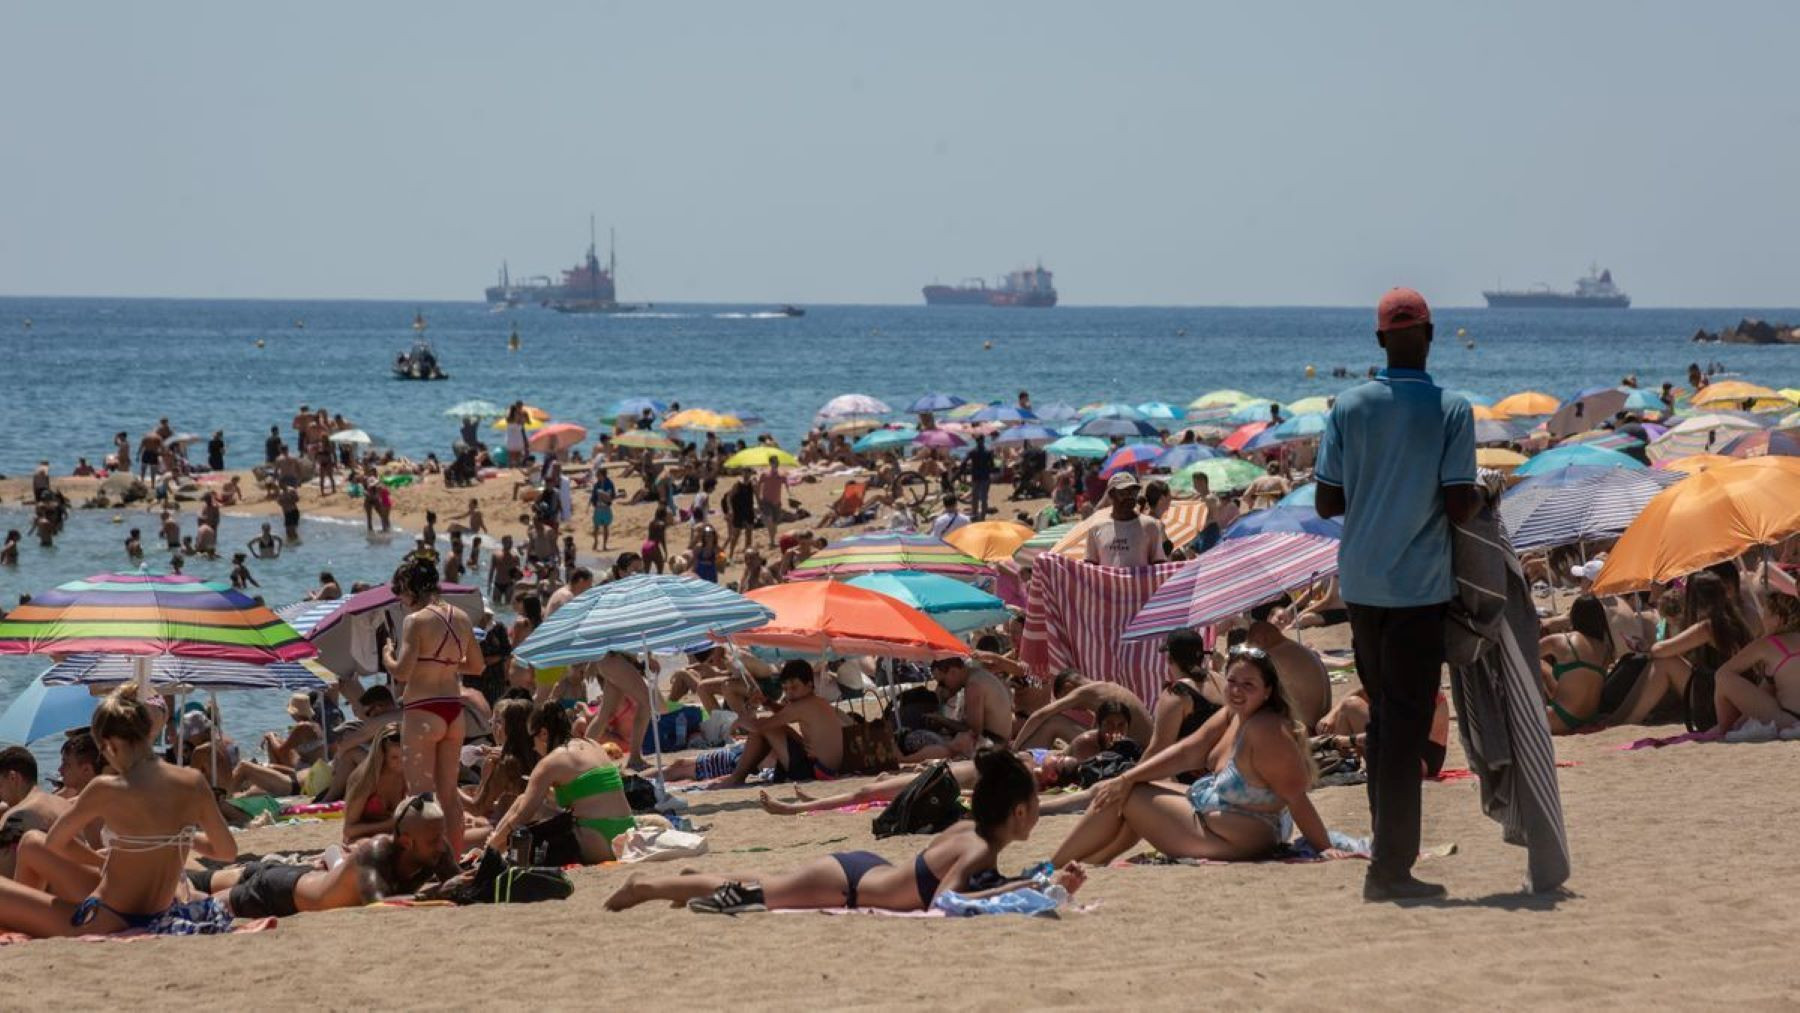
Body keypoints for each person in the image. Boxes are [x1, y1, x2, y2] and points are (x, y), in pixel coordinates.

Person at [1314, 286, 1477, 902]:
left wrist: (1377, 491)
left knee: (1384, 717)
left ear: (1380, 341)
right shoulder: (1452, 409)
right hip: (1417, 588)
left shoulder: (1349, 407)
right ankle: (1390, 869)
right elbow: (1460, 502)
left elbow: (1328, 500)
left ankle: (1386, 852)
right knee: (1405, 726)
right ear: (1430, 337)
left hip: (1361, 585)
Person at [607, 748, 1085, 914]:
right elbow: (948, 902)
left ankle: (687, 877)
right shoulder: (979, 849)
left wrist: (1042, 880)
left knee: (763, 885)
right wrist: (1033, 884)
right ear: (1019, 812)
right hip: (849, 885)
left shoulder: (972, 832)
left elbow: (983, 889)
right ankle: (647, 885)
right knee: (757, 891)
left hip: (866, 873)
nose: (1040, 810)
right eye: (1037, 803)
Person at [1051, 648, 1336, 866]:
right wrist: (1127, 777)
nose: (1236, 690)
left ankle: (1052, 867)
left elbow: (1297, 797)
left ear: (1267, 691)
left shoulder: (1267, 730)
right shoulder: (1233, 714)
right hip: (1220, 822)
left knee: (1127, 793)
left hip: (1239, 840)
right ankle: (1087, 863)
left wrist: (1325, 848)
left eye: (1248, 685)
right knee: (1127, 788)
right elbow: (1189, 751)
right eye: (1232, 681)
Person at [0, 684, 237, 937]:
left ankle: (24, 926)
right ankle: (25, 924)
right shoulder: (193, 782)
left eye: (102, 750)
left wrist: (101, 860)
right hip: (159, 911)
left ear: (111, 744)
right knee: (31, 841)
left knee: (31, 853)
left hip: (105, 918)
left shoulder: (106, 789)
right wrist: (176, 837)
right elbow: (226, 851)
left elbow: (56, 843)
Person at [197, 794, 460, 918]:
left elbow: (459, 886)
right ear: (406, 842)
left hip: (298, 878)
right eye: (434, 839)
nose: (441, 845)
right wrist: (440, 892)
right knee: (189, 905)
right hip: (275, 894)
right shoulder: (375, 853)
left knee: (193, 885)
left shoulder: (435, 850)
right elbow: (379, 906)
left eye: (441, 835)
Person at [381, 554, 482, 855]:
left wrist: (388, 653)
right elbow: (476, 667)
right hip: (453, 709)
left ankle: (426, 861)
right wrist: (444, 664)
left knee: (421, 796)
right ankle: (455, 857)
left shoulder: (415, 621)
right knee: (449, 795)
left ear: (411, 589)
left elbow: (401, 672)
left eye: (402, 594)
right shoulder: (461, 617)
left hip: (423, 709)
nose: (403, 602)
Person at [1622, 572, 1755, 725]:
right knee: (1664, 660)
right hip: (1733, 697)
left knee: (1665, 662)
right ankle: (1623, 716)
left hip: (1718, 704)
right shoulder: (1732, 619)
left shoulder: (1708, 626)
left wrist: (1645, 647)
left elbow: (1660, 650)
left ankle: (1630, 719)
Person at [488, 733, 636, 865]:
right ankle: (492, 851)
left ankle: (489, 852)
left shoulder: (551, 761)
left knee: (521, 834)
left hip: (595, 840)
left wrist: (492, 844)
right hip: (626, 832)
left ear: (544, 734)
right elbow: (583, 795)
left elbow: (522, 816)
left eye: (533, 740)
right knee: (523, 800)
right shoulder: (591, 745)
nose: (533, 747)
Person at [709, 662, 846, 786]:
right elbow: (787, 715)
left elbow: (760, 726)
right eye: (785, 689)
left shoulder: (801, 706)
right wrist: (767, 703)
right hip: (828, 769)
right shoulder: (817, 702)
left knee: (764, 725)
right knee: (777, 727)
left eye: (794, 687)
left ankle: (737, 777)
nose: (789, 694)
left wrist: (739, 721)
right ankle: (738, 775)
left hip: (815, 770)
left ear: (809, 685)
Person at [1705, 590, 1800, 736]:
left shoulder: (1767, 644)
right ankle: (1731, 726)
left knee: (1723, 677)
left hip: (1791, 720)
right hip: (1791, 716)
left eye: (1765, 614)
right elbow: (1765, 692)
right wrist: (1741, 721)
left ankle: (1723, 730)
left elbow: (1725, 671)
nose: (1762, 619)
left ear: (1777, 620)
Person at [1240, 603, 1332, 729]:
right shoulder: (1294, 648)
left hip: (1306, 726)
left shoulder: (1274, 654)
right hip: (1320, 719)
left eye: (1256, 646)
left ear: (1263, 639)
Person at [1013, 670, 1152, 751]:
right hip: (1136, 746)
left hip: (1131, 748)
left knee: (1053, 722)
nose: (1074, 709)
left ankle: (1022, 757)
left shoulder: (1084, 692)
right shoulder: (1106, 689)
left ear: (1068, 687)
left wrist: (1015, 746)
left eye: (1064, 698)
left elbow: (1040, 715)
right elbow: (1096, 733)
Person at [1539, 595, 1614, 734]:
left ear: (1574, 616)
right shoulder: (1606, 650)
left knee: (1539, 663)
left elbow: (1525, 656)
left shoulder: (1561, 640)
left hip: (1560, 719)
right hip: (1589, 717)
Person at [1145, 629, 1223, 761]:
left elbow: (1158, 750)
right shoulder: (1219, 680)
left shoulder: (1176, 695)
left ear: (1170, 659)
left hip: (1192, 775)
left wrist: (1127, 778)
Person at [0, 748, 70, 880]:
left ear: (13, 778)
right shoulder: (63, 803)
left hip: (52, 897)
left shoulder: (19, 815)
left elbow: (5, 875)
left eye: (0, 786)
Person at [1083, 472, 1167, 567]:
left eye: (1133, 492)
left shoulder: (1150, 525)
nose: (1130, 497)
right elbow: (1090, 566)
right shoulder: (1096, 528)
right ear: (1111, 495)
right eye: (1123, 493)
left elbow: (1159, 564)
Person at [930, 657, 1015, 747]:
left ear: (953, 672)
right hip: (996, 740)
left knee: (928, 742)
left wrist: (942, 720)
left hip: (994, 745)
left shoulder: (973, 685)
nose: (941, 687)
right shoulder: (977, 675)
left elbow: (973, 732)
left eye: (942, 682)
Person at [966, 435, 996, 520]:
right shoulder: (988, 451)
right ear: (983, 441)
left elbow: (964, 462)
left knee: (975, 497)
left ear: (976, 441)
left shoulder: (972, 451)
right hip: (985, 476)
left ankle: (974, 515)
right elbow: (992, 465)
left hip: (975, 476)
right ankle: (982, 517)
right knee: (984, 497)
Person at [589, 472, 616, 551]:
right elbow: (593, 496)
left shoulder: (609, 484)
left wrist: (607, 499)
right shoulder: (596, 484)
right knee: (596, 527)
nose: (597, 477)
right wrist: (593, 503)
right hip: (598, 508)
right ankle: (595, 541)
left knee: (605, 526)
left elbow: (612, 495)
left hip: (606, 508)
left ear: (603, 475)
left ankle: (604, 545)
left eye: (598, 475)